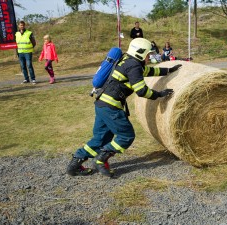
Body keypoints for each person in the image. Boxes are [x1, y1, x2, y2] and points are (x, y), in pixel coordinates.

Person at [66, 38, 182, 177]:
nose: (149, 57)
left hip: (101, 104)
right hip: (111, 107)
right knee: (126, 136)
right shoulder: (134, 66)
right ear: (140, 53)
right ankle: (101, 159)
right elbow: (141, 90)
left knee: (100, 139)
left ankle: (74, 165)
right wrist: (159, 94)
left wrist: (168, 70)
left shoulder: (127, 60)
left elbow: (147, 71)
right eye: (148, 54)